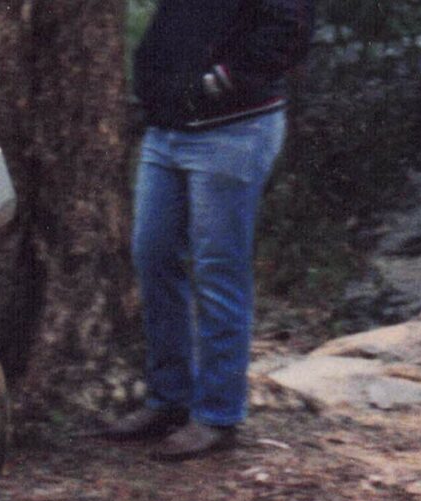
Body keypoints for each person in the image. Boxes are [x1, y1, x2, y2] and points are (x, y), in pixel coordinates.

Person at [95, 0, 314, 461]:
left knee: (217, 269)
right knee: (152, 257)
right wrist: (153, 88)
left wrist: (219, 82)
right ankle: (169, 399)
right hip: (168, 130)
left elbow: (290, 28)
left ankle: (217, 414)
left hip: (234, 130)